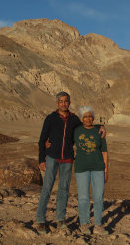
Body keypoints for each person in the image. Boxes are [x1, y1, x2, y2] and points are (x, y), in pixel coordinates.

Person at [35, 92, 106, 234]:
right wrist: (41, 159)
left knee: (64, 189)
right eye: (60, 101)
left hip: (67, 159)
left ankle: (60, 220)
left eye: (66, 101)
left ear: (69, 102)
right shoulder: (50, 118)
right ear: (57, 103)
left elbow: (87, 124)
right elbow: (42, 139)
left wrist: (101, 126)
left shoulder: (74, 120)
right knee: (47, 188)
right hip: (51, 157)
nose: (63, 103)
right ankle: (41, 220)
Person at [74, 106, 109, 235]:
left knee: (98, 197)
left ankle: (98, 225)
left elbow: (104, 151)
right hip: (81, 168)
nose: (88, 118)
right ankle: (84, 224)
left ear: (93, 118)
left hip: (98, 168)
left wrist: (105, 170)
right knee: (83, 197)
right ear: (81, 119)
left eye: (90, 116)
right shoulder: (76, 130)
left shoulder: (99, 131)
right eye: (85, 116)